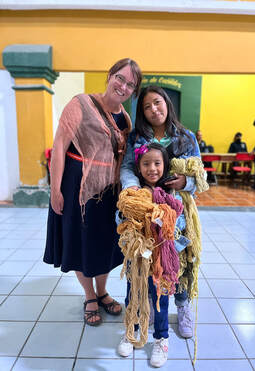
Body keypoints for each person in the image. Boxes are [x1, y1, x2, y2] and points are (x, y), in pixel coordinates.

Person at [43, 58, 142, 326]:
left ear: (133, 91)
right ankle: (89, 296)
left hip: (110, 191)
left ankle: (102, 291)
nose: (122, 86)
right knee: (80, 241)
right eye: (120, 78)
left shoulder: (125, 117)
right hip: (77, 187)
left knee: (104, 243)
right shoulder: (80, 104)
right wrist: (55, 190)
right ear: (110, 76)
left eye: (130, 84)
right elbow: (60, 147)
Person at [118, 86, 205, 364]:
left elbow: (200, 176)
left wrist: (185, 183)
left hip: (176, 214)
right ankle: (134, 322)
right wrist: (138, 195)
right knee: (141, 269)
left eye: (158, 103)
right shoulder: (137, 137)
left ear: (167, 104)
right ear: (141, 112)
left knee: (176, 264)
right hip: (144, 214)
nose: (154, 109)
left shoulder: (186, 137)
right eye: (147, 106)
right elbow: (127, 168)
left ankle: (182, 307)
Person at [117, 143, 188, 368]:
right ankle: (132, 331)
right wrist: (128, 218)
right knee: (133, 294)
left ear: (164, 165)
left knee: (160, 299)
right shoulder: (133, 194)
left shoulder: (170, 193)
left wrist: (162, 219)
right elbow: (120, 220)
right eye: (146, 164)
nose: (152, 168)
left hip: (161, 259)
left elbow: (180, 221)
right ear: (138, 168)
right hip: (137, 257)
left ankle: (161, 338)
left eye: (157, 163)